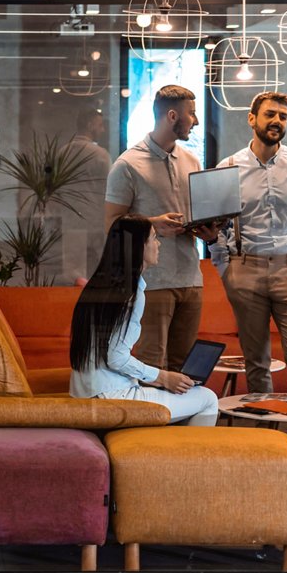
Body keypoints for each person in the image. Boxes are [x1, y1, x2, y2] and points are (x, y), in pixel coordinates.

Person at [210, 91, 287, 396]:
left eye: (283, 116)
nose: (277, 121)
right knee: (256, 362)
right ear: (252, 119)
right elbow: (216, 226)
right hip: (245, 270)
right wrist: (225, 268)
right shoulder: (229, 165)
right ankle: (262, 434)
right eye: (270, 114)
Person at [105, 85, 221, 371]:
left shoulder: (192, 161)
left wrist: (209, 232)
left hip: (191, 279)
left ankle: (181, 418)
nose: (196, 121)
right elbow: (110, 225)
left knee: (185, 369)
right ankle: (150, 418)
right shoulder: (127, 164)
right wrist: (153, 224)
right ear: (172, 116)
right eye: (191, 114)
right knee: (149, 365)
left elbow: (196, 213)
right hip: (152, 282)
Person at [70, 214, 219, 425]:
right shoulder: (131, 293)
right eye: (154, 238)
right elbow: (116, 357)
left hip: (88, 393)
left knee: (187, 397)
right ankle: (190, 456)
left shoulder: (101, 284)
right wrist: (163, 377)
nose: (158, 244)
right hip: (112, 398)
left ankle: (165, 450)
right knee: (208, 398)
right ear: (140, 246)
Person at [60, 109, 113, 282]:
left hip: (69, 220)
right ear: (90, 125)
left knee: (73, 273)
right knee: (99, 270)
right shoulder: (101, 156)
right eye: (100, 125)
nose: (103, 130)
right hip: (95, 219)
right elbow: (110, 190)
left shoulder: (61, 153)